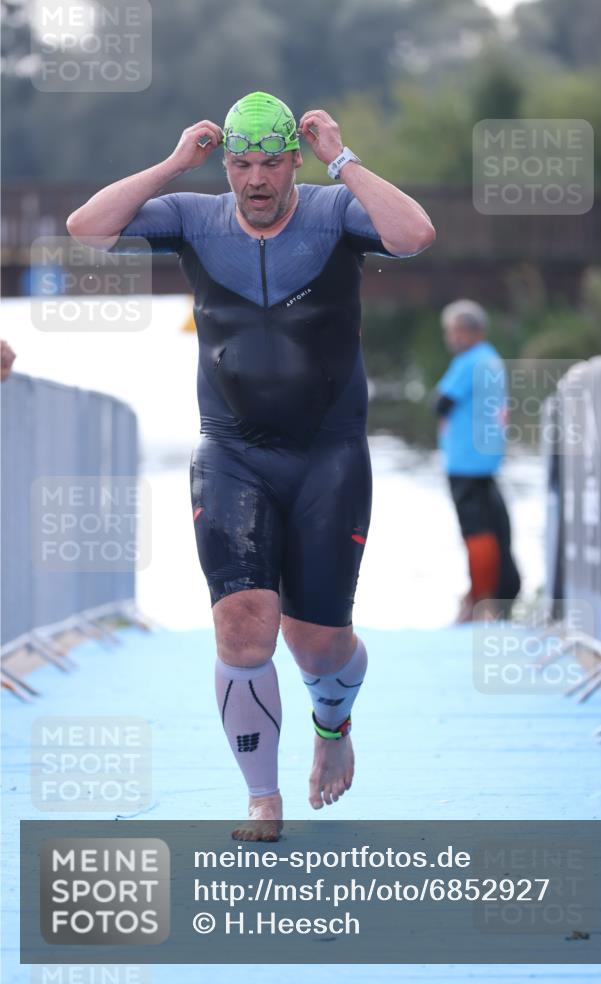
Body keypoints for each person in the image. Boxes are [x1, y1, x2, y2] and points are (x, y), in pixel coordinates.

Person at [67, 91, 435, 840]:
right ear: (225, 165)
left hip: (328, 456)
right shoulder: (192, 218)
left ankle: (331, 726)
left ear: (293, 160)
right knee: (243, 628)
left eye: (270, 162)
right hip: (232, 453)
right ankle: (262, 798)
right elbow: (86, 228)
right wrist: (176, 164)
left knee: (318, 644)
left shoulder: (335, 212)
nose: (256, 180)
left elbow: (415, 235)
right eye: (241, 165)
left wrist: (344, 157)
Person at [432, 299, 520, 624]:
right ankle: (494, 595)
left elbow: (440, 403)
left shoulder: (469, 361)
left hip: (465, 461)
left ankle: (481, 600)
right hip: (486, 460)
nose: (452, 338)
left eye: (456, 332)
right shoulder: (492, 359)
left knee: (476, 529)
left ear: (473, 332)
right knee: (494, 526)